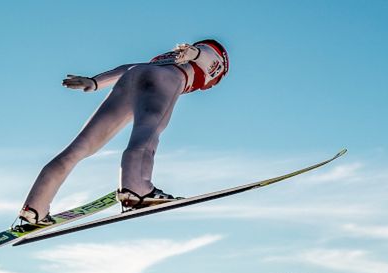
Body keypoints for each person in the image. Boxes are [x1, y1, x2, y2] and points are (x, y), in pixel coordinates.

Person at [14, 39, 229, 232]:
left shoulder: (165, 57)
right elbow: (208, 55)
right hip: (164, 79)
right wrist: (195, 53)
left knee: (80, 147)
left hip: (132, 77)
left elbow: (128, 67)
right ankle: (135, 188)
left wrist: (95, 82)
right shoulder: (211, 62)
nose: (211, 86)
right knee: (148, 132)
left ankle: (34, 209)